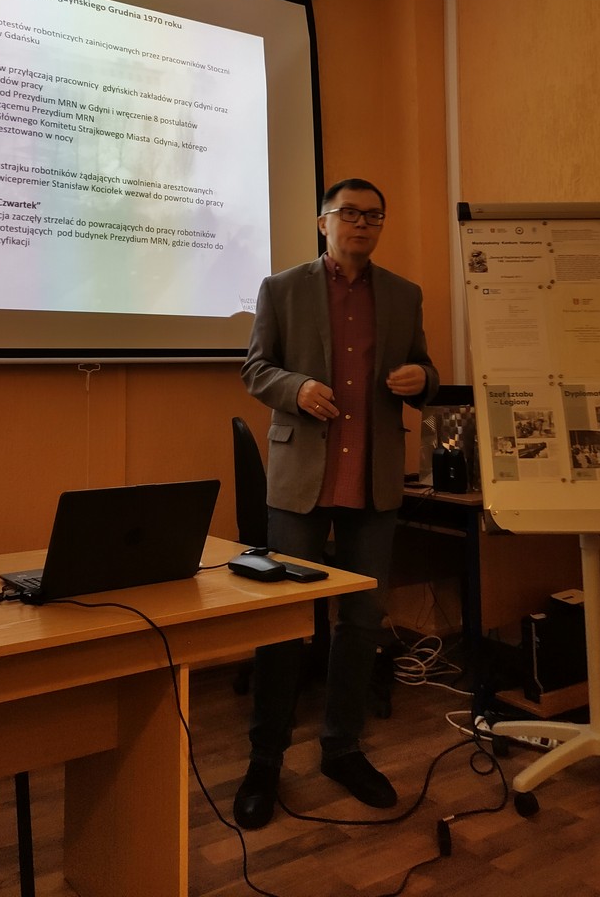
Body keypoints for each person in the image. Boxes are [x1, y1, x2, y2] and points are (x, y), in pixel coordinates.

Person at [233, 178, 439, 829]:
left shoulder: (404, 295)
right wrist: (295, 389)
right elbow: (256, 369)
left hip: (372, 480)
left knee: (362, 621)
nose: (362, 223)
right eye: (349, 212)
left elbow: (425, 371)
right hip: (303, 479)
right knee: (282, 621)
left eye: (374, 215)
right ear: (323, 222)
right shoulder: (282, 289)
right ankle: (265, 758)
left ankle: (342, 748)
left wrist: (423, 379)